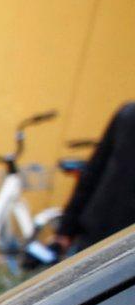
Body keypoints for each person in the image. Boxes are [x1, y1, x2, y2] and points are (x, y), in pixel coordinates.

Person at [56, 103, 135, 254]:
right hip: (99, 236)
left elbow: (93, 172)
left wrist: (67, 229)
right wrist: (66, 229)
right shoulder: (128, 116)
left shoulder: (128, 115)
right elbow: (94, 171)